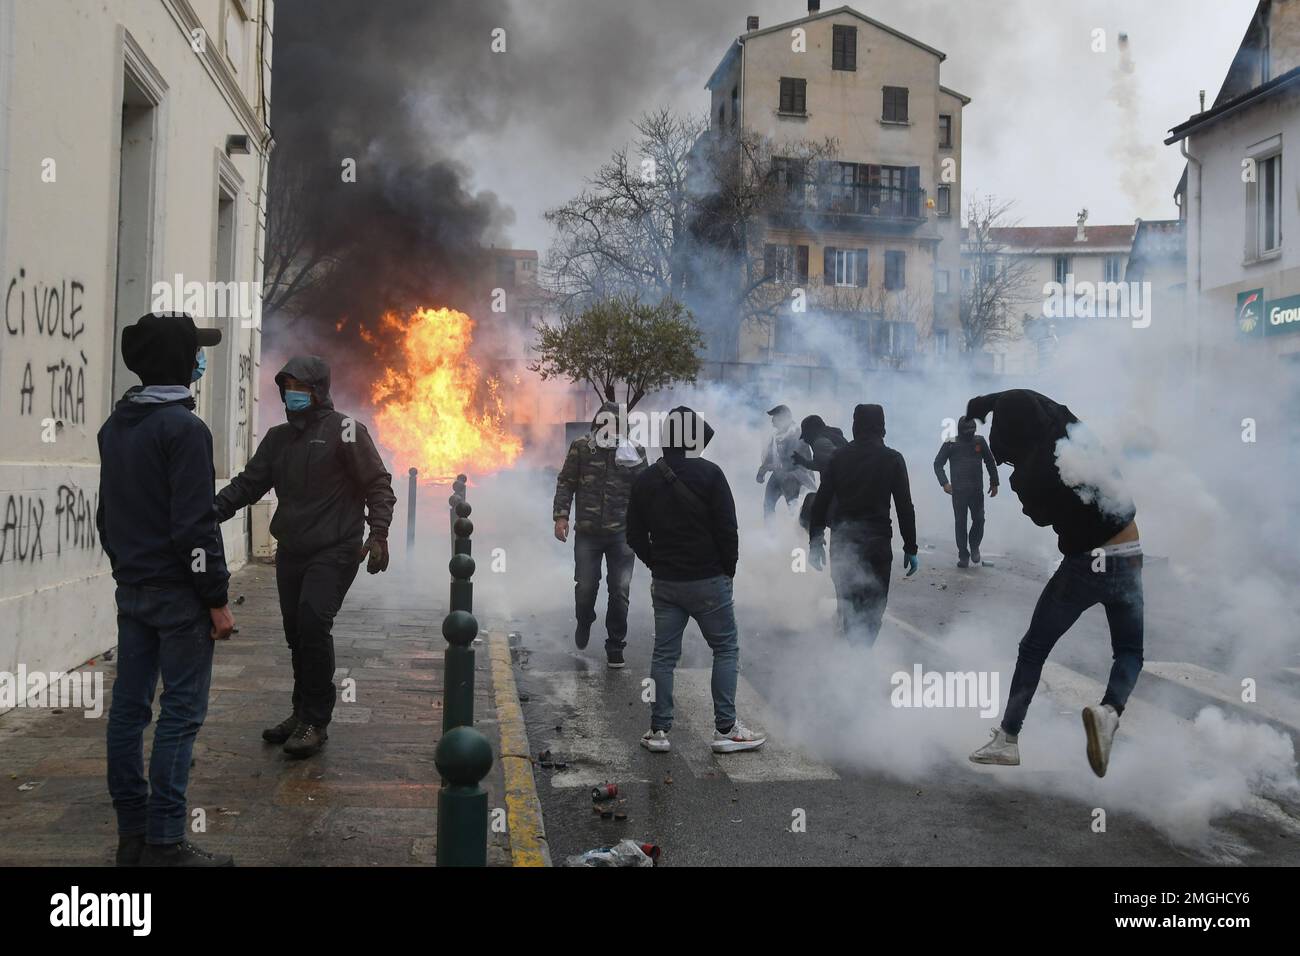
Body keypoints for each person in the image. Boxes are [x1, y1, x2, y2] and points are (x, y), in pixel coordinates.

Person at [99, 311, 235, 867]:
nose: (202, 361)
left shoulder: (117, 425)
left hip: (132, 589)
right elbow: (195, 527)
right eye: (196, 352)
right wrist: (216, 599)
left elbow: (108, 516)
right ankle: (165, 841)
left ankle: (132, 837)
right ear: (180, 361)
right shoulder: (184, 429)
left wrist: (127, 569)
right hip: (179, 597)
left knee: (129, 712)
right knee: (180, 714)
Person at [214, 356, 395, 758]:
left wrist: (378, 533)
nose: (292, 394)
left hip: (335, 549)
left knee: (314, 623)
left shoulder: (346, 430)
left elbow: (378, 484)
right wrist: (209, 512)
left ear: (319, 390)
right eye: (287, 386)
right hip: (292, 549)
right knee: (296, 632)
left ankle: (317, 719)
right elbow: (249, 484)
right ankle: (300, 713)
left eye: (301, 387)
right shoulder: (278, 439)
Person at [964, 390, 1141, 778]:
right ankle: (1110, 711)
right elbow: (1031, 399)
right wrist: (985, 403)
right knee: (1129, 651)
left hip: (1082, 565)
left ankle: (1008, 739)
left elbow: (1041, 518)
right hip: (1128, 552)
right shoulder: (1067, 429)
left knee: (1033, 649)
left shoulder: (1026, 478)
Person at [626, 406, 765, 755]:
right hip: (709, 580)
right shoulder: (711, 474)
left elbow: (633, 534)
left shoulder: (645, 479)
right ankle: (726, 729)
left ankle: (658, 731)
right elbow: (727, 529)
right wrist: (727, 570)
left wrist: (655, 561)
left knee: (664, 656)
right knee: (726, 648)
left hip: (667, 582)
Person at [808, 404, 918, 646]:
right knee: (873, 607)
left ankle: (854, 656)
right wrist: (911, 546)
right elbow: (904, 507)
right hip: (878, 545)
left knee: (848, 604)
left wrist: (815, 541)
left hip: (844, 543)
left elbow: (821, 500)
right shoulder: (893, 459)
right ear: (882, 427)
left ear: (855, 425)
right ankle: (862, 654)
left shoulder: (839, 457)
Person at [552, 402, 647, 668]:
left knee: (619, 590)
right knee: (585, 586)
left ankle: (615, 645)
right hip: (588, 533)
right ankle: (584, 619)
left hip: (622, 535)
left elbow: (646, 491)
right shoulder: (582, 447)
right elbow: (566, 482)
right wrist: (561, 517)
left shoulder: (634, 450)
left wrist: (648, 528)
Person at [933, 416, 999, 567]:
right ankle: (963, 555)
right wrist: (944, 483)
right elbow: (938, 464)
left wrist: (994, 482)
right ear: (960, 431)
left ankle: (974, 546)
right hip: (958, 492)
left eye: (972, 430)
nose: (970, 433)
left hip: (976, 491)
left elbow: (990, 461)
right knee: (960, 523)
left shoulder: (979, 442)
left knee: (979, 520)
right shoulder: (951, 443)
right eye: (967, 431)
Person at [755, 404, 814, 521]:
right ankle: (769, 535)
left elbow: (792, 461)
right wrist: (762, 471)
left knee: (795, 510)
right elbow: (770, 456)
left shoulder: (797, 433)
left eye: (775, 417)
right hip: (780, 474)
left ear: (785, 418)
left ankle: (800, 535)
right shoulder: (776, 435)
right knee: (768, 505)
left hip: (796, 476)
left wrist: (768, 468)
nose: (772, 421)